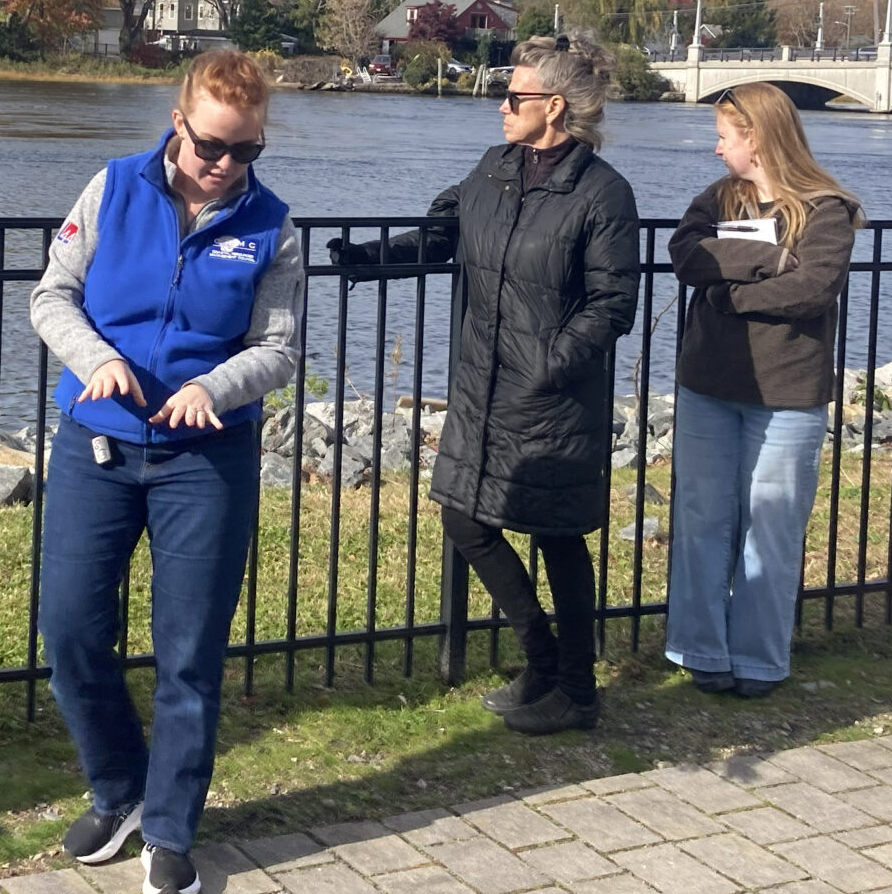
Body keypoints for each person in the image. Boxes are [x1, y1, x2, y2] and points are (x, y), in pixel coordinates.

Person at [30, 49, 299, 894]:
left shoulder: (274, 226)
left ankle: (174, 828)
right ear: (177, 123)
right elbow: (52, 297)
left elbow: (279, 348)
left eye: (247, 151)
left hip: (205, 460)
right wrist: (97, 360)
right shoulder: (111, 189)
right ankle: (118, 792)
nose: (226, 166)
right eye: (213, 146)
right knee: (71, 633)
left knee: (189, 653)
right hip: (96, 447)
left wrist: (212, 389)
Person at [333, 37, 641, 735]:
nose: (500, 107)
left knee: (558, 535)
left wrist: (552, 363)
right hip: (483, 384)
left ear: (553, 107)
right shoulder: (494, 171)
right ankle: (541, 658)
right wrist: (366, 258)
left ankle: (578, 692)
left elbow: (612, 301)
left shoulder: (601, 192)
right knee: (466, 518)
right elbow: (442, 235)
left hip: (551, 395)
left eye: (514, 98)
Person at [664, 83, 861, 698]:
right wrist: (769, 262)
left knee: (770, 523)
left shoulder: (827, 209)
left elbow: (812, 289)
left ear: (756, 135)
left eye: (724, 135)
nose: (717, 147)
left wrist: (732, 289)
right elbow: (686, 255)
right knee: (700, 518)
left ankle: (758, 658)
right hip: (708, 384)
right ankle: (699, 648)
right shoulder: (722, 195)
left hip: (788, 395)